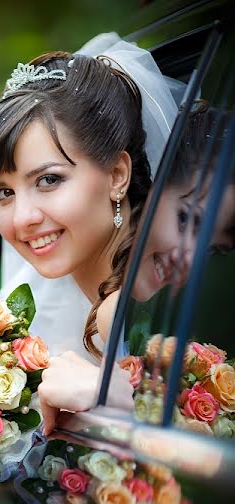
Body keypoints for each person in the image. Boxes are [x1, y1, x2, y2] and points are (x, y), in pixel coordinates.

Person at [0, 33, 182, 424]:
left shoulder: (148, 309)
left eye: (49, 180)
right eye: (3, 192)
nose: (22, 218)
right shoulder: (22, 318)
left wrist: (123, 405)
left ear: (117, 174)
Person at [39, 103, 235, 433]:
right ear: (139, 190)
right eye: (187, 219)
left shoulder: (143, 330)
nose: (190, 258)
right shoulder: (111, 315)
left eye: (211, 249)